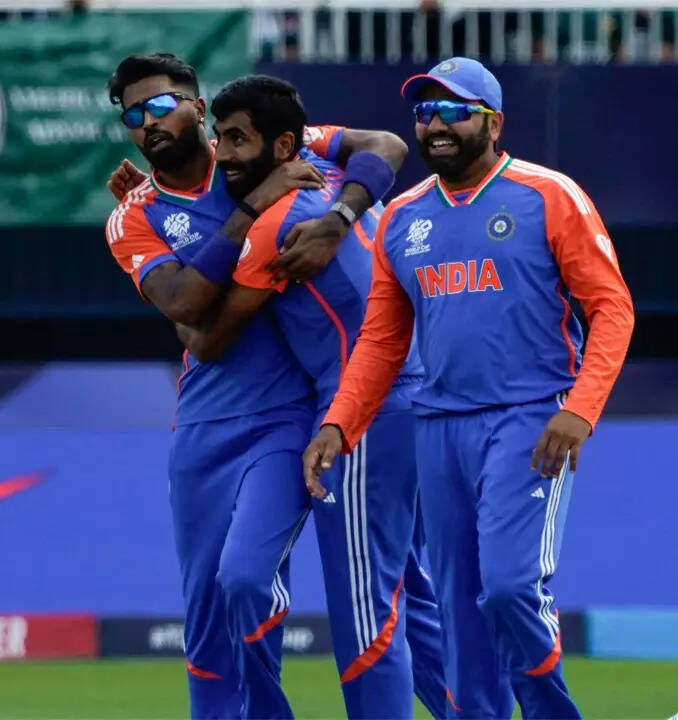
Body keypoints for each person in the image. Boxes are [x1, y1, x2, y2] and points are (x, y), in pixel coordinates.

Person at [102, 54, 442, 718]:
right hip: (209, 422)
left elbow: (386, 145)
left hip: (302, 415)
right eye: (133, 115)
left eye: (161, 105)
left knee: (306, 585)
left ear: (196, 107)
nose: (148, 123)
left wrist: (338, 217)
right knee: (213, 610)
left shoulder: (255, 146)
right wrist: (252, 208)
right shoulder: (139, 213)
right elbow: (187, 311)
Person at [303, 57, 635, 719]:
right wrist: (340, 422)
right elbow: (381, 340)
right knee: (459, 611)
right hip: (438, 428)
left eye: (455, 111)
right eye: (426, 112)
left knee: (509, 588)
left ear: (494, 122)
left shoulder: (548, 194)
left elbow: (612, 308)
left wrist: (580, 410)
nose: (437, 125)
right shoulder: (402, 216)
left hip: (531, 419)